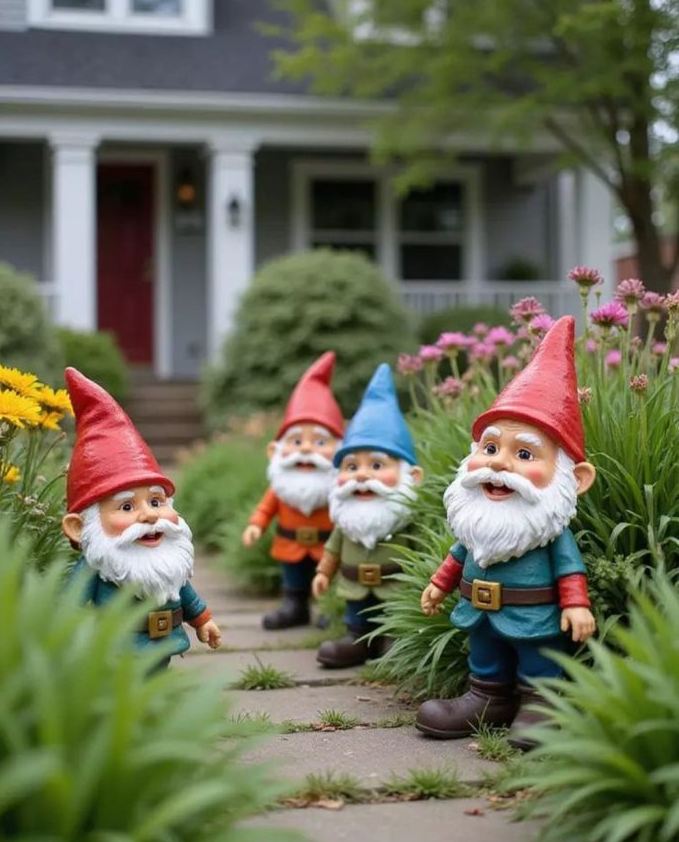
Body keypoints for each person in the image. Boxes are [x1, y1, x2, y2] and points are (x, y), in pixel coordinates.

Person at [416, 316, 596, 750]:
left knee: (538, 660)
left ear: (576, 479)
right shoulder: (478, 524)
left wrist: (575, 605)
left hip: (535, 617)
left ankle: (541, 703)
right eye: (491, 448)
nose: (499, 464)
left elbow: (569, 571)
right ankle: (487, 698)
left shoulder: (548, 532)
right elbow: (460, 553)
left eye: (524, 453)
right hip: (480, 613)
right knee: (486, 656)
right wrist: (439, 585)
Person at [62, 367, 221, 667]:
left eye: (156, 501)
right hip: (116, 650)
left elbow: (184, 593)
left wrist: (202, 621)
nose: (149, 515)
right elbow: (69, 606)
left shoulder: (165, 564)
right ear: (79, 528)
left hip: (164, 644)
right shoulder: (96, 567)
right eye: (126, 507)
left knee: (156, 681)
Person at [314, 363, 423, 668]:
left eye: (376, 466)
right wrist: (324, 572)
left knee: (393, 614)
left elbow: (420, 553)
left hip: (395, 588)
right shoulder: (347, 521)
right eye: (351, 466)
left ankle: (395, 639)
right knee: (357, 615)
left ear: (411, 476)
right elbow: (333, 549)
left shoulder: (403, 521)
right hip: (354, 586)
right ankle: (357, 640)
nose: (361, 476)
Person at [242, 352, 344, 629]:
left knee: (329, 576)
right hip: (290, 544)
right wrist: (256, 526)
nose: (307, 449)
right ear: (274, 451)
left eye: (320, 442)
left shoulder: (336, 487)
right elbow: (266, 508)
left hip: (327, 546)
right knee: (294, 578)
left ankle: (329, 608)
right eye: (296, 440)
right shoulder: (282, 486)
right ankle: (295, 606)